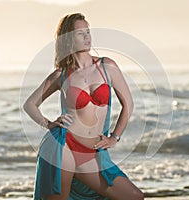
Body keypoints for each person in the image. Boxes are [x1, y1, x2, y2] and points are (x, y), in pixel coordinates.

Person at [23, 13, 144, 200]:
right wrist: (48, 124)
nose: (87, 37)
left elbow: (128, 104)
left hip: (92, 152)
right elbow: (30, 104)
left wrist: (115, 137)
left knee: (133, 196)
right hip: (63, 146)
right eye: (80, 33)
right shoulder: (61, 75)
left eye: (88, 31)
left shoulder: (107, 66)